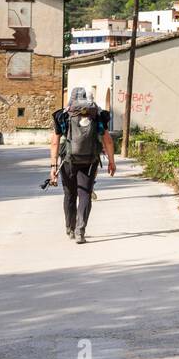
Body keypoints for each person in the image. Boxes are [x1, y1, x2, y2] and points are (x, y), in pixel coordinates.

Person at [50, 88, 115, 244]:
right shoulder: (97, 115)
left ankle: (70, 228)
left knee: (70, 194)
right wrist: (112, 161)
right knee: (85, 194)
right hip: (90, 160)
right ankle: (80, 231)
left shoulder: (63, 115)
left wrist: (53, 166)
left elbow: (54, 142)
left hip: (68, 160)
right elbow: (108, 140)